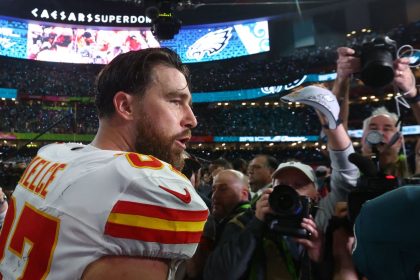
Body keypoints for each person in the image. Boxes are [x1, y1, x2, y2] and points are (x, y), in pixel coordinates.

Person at [0, 48, 208, 279]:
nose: (192, 119)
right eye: (175, 101)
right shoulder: (144, 185)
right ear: (126, 106)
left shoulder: (51, 155)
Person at [204, 86, 359, 279]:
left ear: (316, 195)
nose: (289, 192)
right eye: (282, 186)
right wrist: (256, 224)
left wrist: (319, 259)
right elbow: (217, 276)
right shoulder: (244, 222)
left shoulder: (321, 219)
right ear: (270, 190)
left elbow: (347, 176)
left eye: (299, 185)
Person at [334, 46, 419, 178]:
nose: (379, 133)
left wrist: (412, 94)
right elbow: (336, 125)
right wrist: (342, 79)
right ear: (362, 139)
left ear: (399, 140)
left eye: (387, 128)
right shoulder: (349, 171)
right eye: (373, 127)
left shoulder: (413, 169)